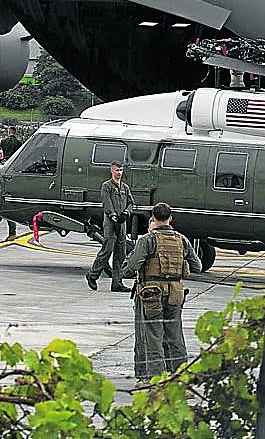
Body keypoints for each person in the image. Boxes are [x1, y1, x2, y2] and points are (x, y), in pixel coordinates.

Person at [121, 202, 201, 383]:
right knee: (175, 337)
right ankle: (179, 378)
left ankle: (152, 380)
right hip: (175, 293)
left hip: (151, 295)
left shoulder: (148, 240)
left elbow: (131, 267)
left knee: (151, 337)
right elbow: (197, 266)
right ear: (170, 219)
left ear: (152, 219)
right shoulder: (181, 239)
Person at [86, 162, 135, 292]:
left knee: (120, 253)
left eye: (121, 170)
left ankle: (117, 283)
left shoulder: (125, 187)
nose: (119, 172)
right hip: (110, 223)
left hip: (122, 223)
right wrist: (112, 215)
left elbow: (131, 203)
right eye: (117, 170)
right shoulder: (106, 186)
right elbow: (106, 203)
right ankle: (92, 275)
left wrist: (126, 213)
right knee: (107, 250)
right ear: (111, 171)